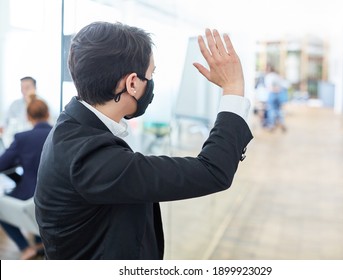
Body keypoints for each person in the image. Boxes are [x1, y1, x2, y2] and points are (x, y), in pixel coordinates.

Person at [34, 22, 253, 260]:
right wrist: (233, 89)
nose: (152, 82)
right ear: (132, 83)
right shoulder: (90, 157)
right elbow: (213, 171)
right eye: (151, 75)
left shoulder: (70, 125)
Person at [0, 95, 52, 260]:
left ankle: (25, 247)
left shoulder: (22, 138)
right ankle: (40, 242)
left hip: (30, 193)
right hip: (55, 194)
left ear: (28, 116)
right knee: (37, 209)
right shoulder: (59, 133)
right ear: (48, 114)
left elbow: (2, 164)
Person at [0, 77, 37, 146]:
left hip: (34, 143)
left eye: (27, 87)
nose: (24, 90)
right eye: (22, 87)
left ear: (35, 88)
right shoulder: (14, 105)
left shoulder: (41, 105)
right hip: (16, 144)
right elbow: (4, 124)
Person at [264, 64, 286, 132]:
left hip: (272, 94)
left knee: (271, 110)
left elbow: (268, 86)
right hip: (279, 94)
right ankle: (282, 122)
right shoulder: (277, 76)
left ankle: (272, 125)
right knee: (278, 109)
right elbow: (282, 85)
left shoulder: (268, 76)